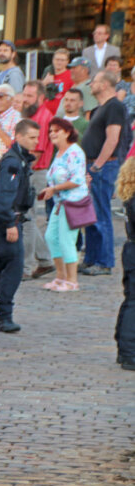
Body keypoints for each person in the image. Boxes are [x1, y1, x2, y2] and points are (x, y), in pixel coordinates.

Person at [0, 119, 39, 333]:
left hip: (6, 218)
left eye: (37, 137)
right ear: (18, 137)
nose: (36, 141)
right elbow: (3, 197)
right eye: (31, 137)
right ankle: (4, 316)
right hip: (7, 220)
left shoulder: (19, 159)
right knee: (13, 266)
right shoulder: (13, 162)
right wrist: (10, 223)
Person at [81, 70, 126, 276]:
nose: (90, 84)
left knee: (101, 214)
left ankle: (104, 261)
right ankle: (91, 258)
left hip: (104, 166)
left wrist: (97, 165)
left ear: (105, 85)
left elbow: (112, 139)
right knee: (90, 215)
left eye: (95, 81)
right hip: (94, 165)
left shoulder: (115, 106)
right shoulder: (100, 107)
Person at [40, 118, 88, 292]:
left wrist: (54, 188)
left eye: (56, 130)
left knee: (67, 240)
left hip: (73, 202)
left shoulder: (75, 152)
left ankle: (72, 280)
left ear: (67, 132)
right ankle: (60, 276)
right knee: (51, 237)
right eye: (50, 130)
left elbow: (76, 180)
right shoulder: (58, 153)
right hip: (59, 203)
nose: (52, 133)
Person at [20, 80, 56, 279]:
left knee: (27, 219)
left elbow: (37, 152)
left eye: (30, 96)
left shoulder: (43, 117)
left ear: (41, 98)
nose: (25, 99)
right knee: (28, 217)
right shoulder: (32, 115)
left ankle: (25, 267)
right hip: (31, 170)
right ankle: (45, 259)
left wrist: (21, 172)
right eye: (24, 95)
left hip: (35, 171)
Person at [115, 157, 135, 370]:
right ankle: (129, 352)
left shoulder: (130, 195)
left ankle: (124, 346)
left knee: (130, 299)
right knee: (133, 302)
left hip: (130, 250)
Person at [0, 83, 21, 166]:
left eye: (1, 98)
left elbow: (15, 145)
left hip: (6, 166)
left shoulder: (16, 117)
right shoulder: (0, 117)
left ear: (11, 99)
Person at [43, 48, 72, 114]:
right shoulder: (47, 73)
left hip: (61, 114)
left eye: (62, 60)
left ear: (67, 62)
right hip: (46, 113)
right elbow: (38, 93)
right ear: (53, 60)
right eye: (57, 59)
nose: (59, 62)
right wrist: (44, 82)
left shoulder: (71, 75)